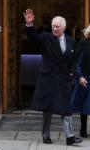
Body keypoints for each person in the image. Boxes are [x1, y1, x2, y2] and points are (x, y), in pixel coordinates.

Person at [23, 8, 82, 146]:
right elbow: (33, 37)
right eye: (53, 26)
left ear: (63, 28)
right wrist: (29, 24)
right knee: (47, 108)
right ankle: (46, 135)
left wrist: (73, 72)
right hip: (48, 78)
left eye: (57, 26)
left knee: (65, 107)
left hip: (63, 78)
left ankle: (70, 136)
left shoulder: (71, 41)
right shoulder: (46, 38)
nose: (54, 29)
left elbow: (74, 60)